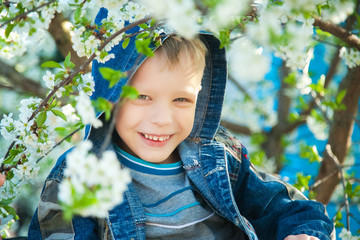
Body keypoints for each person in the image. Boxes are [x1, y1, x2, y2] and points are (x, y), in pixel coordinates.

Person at [28, 8, 335, 240]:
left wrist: (303, 233)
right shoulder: (78, 177)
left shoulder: (218, 157)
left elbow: (289, 208)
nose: (163, 119)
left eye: (182, 100)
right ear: (111, 95)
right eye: (143, 97)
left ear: (201, 97)